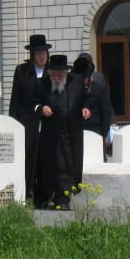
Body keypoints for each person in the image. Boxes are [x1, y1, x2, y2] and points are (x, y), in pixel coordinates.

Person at [34, 54, 90, 209]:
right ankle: (50, 196)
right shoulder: (44, 84)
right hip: (51, 135)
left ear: (66, 74)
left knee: (68, 166)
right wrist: (41, 109)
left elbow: (86, 101)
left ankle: (64, 199)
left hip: (71, 135)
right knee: (52, 166)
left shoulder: (77, 83)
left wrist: (86, 109)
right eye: (55, 75)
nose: (57, 78)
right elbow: (34, 103)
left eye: (60, 75)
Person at [8, 34, 50, 199]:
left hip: (47, 122)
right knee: (28, 159)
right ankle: (27, 192)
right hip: (27, 122)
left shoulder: (53, 71)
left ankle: (45, 195)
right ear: (33, 54)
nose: (42, 56)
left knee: (44, 159)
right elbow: (15, 100)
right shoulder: (22, 71)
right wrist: (13, 123)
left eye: (44, 52)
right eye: (39, 53)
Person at [73, 52, 114, 159]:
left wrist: (104, 136)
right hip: (78, 131)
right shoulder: (73, 85)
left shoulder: (100, 85)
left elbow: (106, 111)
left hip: (96, 130)